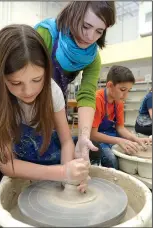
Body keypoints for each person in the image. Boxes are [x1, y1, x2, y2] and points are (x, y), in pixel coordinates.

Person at [0, 24, 89, 228]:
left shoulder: (52, 91)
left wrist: (70, 178)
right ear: (1, 76)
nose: (29, 91)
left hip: (38, 135)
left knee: (88, 161)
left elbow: (67, 140)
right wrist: (61, 172)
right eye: (16, 83)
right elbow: (6, 164)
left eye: (37, 79)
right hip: (1, 139)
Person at [34, 1, 116, 161]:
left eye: (99, 31)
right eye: (86, 26)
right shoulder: (46, 34)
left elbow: (86, 95)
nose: (90, 36)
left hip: (57, 105)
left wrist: (84, 136)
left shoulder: (92, 57)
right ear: (73, 14)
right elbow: (21, 80)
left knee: (71, 155)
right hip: (29, 103)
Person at [90, 65, 152, 169]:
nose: (126, 95)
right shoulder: (98, 99)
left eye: (128, 90)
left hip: (111, 135)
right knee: (112, 160)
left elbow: (120, 128)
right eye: (123, 90)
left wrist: (136, 139)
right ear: (110, 85)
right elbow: (92, 134)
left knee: (133, 148)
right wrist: (119, 141)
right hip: (96, 139)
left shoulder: (118, 101)